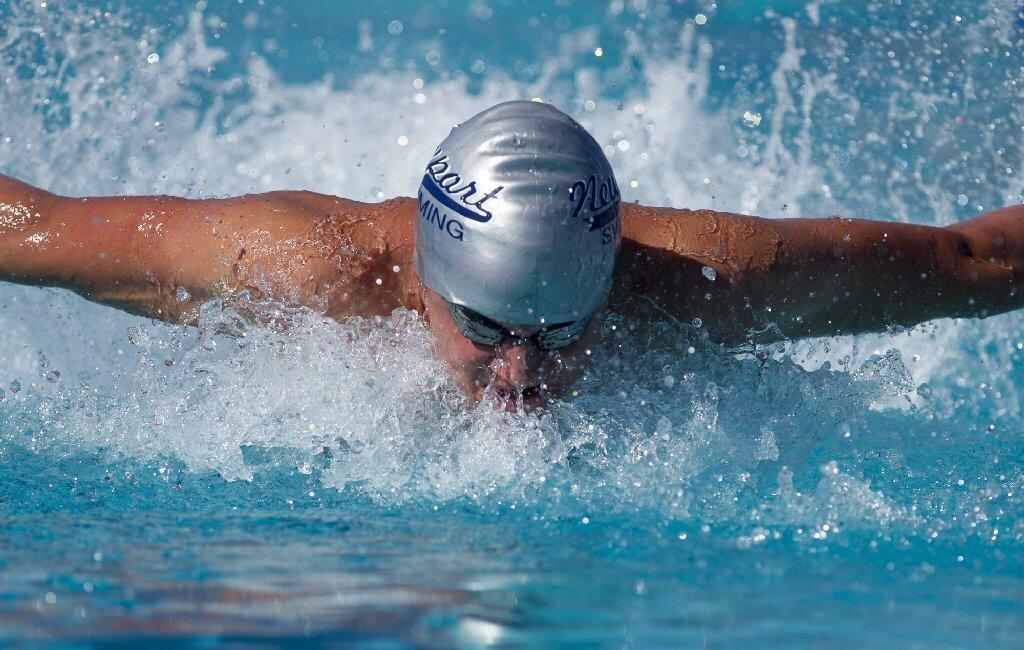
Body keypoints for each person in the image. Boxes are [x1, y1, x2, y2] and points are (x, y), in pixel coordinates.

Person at [1, 100, 1023, 410]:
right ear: (430, 279)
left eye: (560, 333)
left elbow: (972, 260)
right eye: (486, 329)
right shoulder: (306, 267)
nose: (520, 376)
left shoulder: (698, 281)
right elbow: (36, 228)